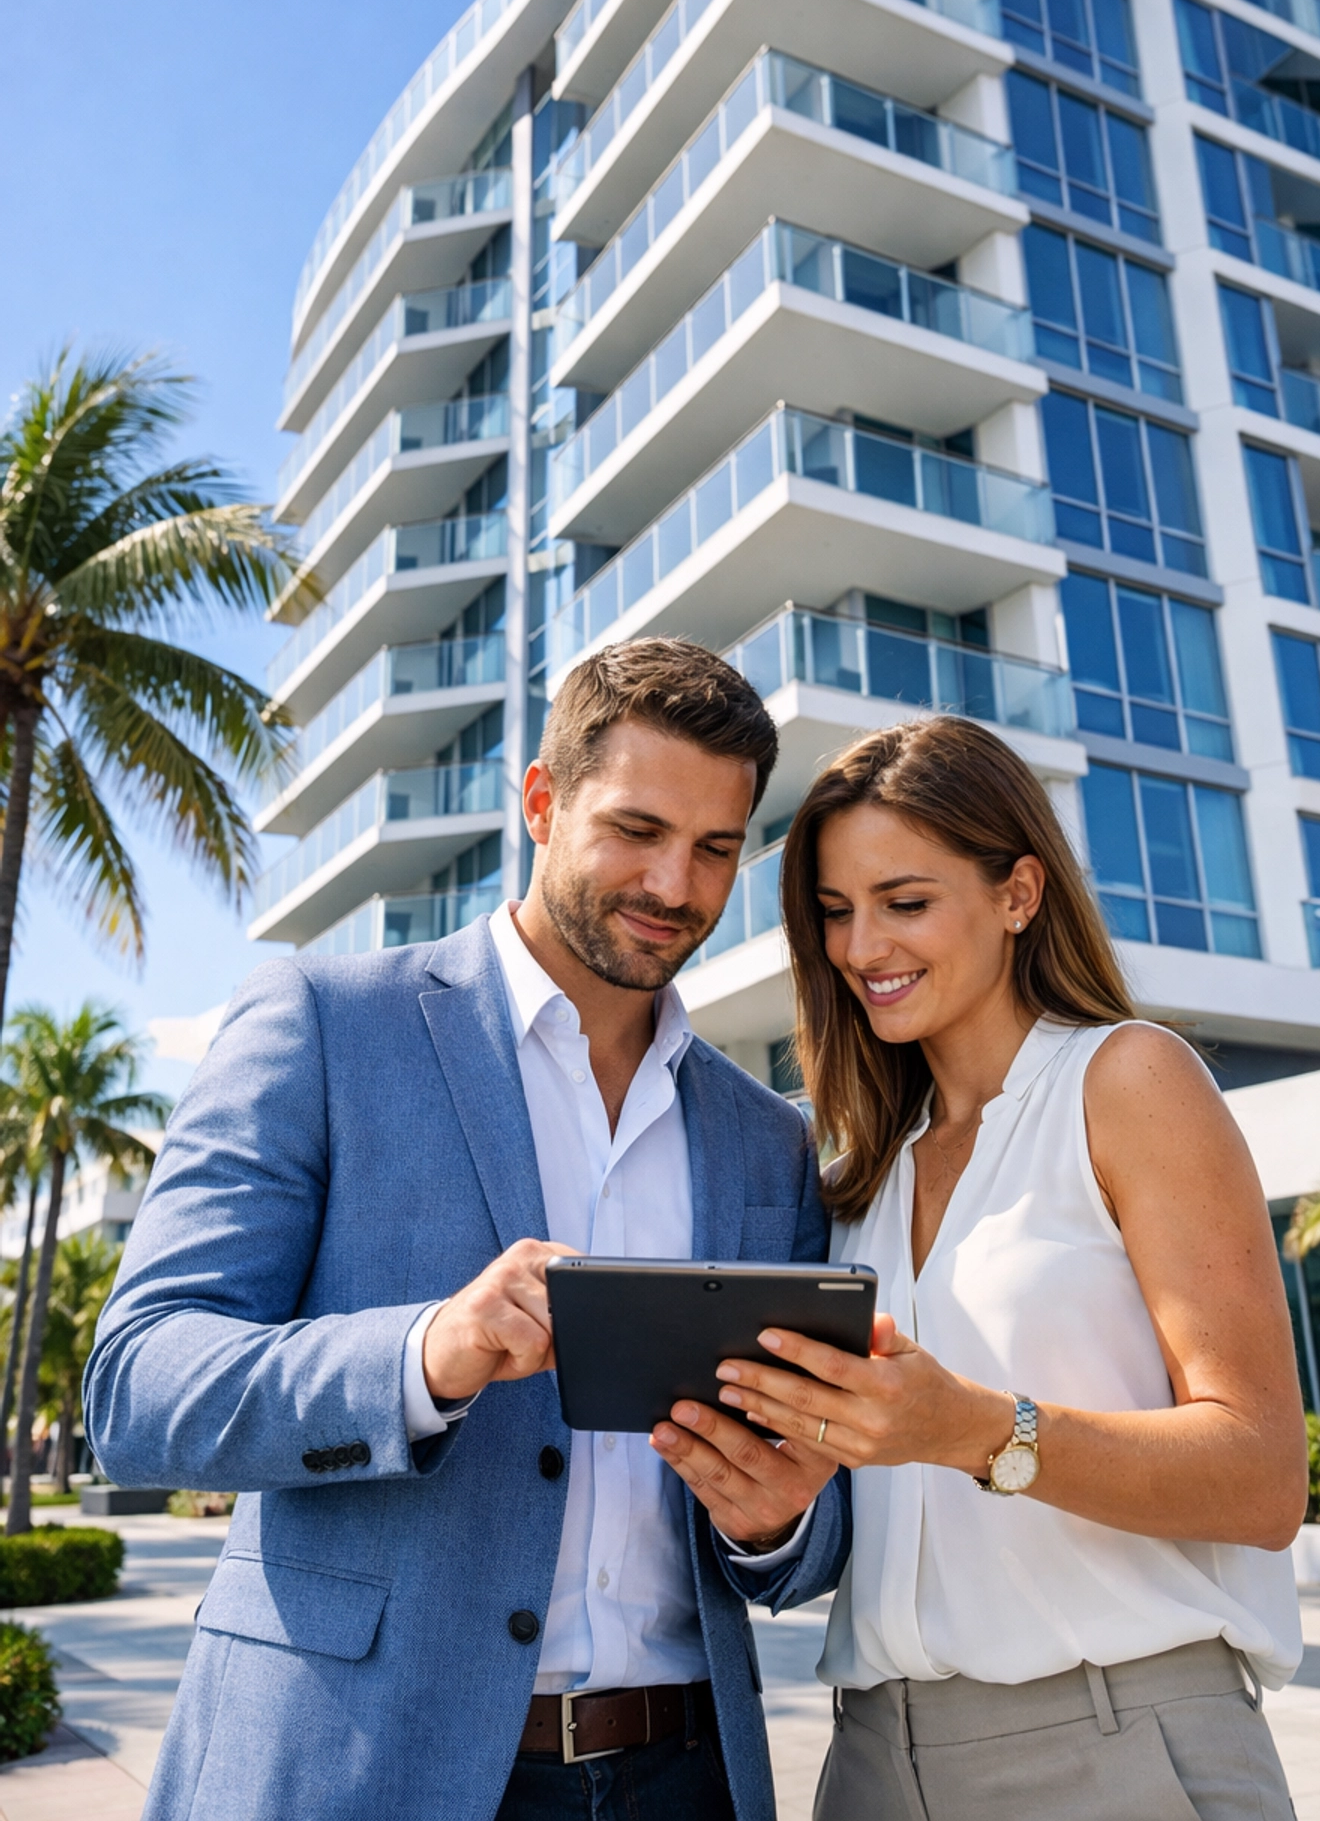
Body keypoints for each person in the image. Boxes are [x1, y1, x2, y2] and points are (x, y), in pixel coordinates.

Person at [84, 638, 847, 1821]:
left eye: (714, 849)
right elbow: (139, 1390)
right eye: (637, 830)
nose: (676, 887)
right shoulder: (326, 1028)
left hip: (683, 1773)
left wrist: (778, 1519)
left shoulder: (767, 1138)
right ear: (542, 802)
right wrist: (426, 1353)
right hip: (363, 1764)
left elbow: (803, 1530)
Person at [716, 716, 1306, 1821]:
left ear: (1018, 894)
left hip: (1115, 1746)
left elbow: (1263, 1475)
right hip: (874, 1760)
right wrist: (782, 1505)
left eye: (905, 902)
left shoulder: (1128, 1082)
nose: (861, 949)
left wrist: (974, 1431)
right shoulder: (858, 1174)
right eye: (836, 914)